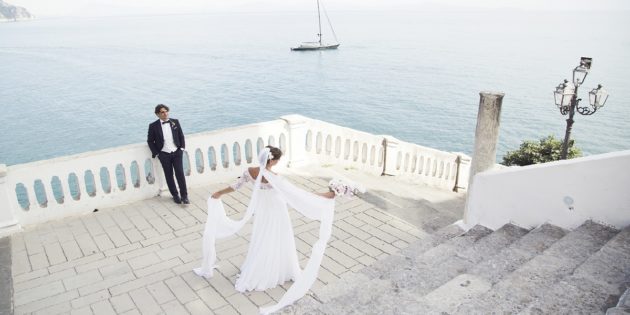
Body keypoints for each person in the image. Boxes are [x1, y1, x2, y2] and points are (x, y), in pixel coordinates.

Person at [194, 145, 363, 314]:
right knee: (279, 239)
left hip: (262, 212)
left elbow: (235, 186)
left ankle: (261, 267)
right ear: (272, 160)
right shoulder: (275, 178)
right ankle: (279, 268)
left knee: (262, 238)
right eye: (277, 160)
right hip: (277, 212)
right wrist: (330, 195)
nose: (277, 163)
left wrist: (218, 193)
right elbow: (299, 194)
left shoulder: (249, 171)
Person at [147, 104, 189, 204]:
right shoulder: (153, 126)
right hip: (164, 154)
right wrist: (157, 153)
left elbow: (181, 135)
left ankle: (184, 196)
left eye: (166, 111)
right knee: (169, 175)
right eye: (162, 112)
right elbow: (150, 141)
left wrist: (182, 148)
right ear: (157, 114)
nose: (165, 113)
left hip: (177, 152)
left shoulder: (175, 122)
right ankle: (175, 195)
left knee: (180, 174)